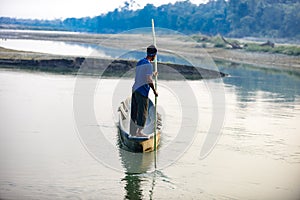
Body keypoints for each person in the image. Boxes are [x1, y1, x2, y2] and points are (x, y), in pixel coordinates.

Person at [130, 44, 158, 137]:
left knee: (134, 111)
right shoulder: (149, 65)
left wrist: (152, 73)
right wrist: (154, 91)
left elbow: (141, 74)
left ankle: (132, 132)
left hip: (135, 89)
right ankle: (139, 132)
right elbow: (149, 80)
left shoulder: (140, 62)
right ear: (153, 55)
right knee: (142, 112)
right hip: (142, 91)